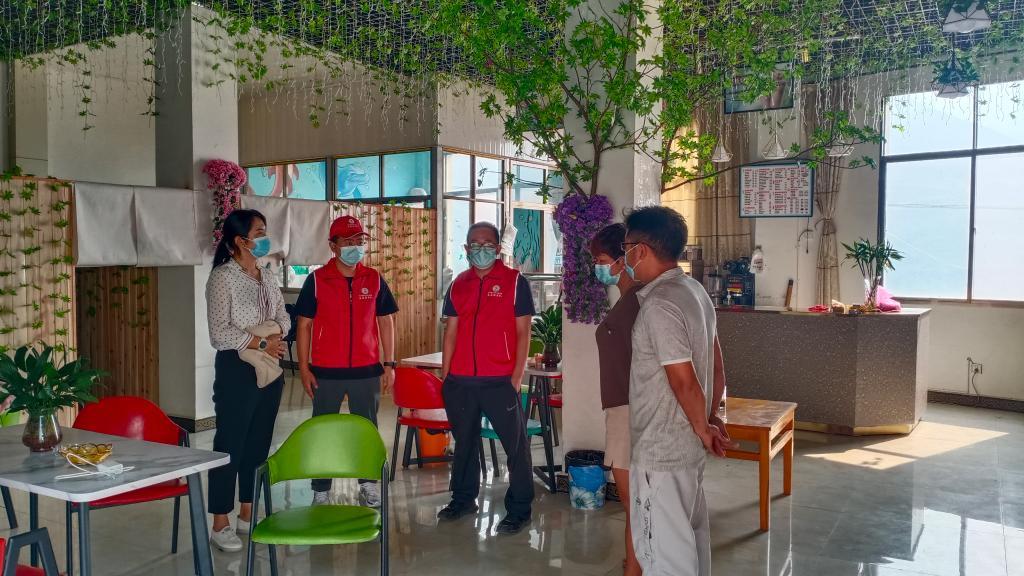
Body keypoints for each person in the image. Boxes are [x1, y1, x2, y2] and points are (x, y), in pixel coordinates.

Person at [622, 206, 731, 576]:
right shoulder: (694, 290)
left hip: (662, 453)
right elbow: (716, 365)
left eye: (626, 249)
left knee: (663, 557)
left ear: (640, 250)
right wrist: (709, 418)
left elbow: (683, 380)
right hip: (685, 449)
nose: (625, 259)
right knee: (689, 544)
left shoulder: (660, 304)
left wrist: (703, 426)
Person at [437, 222, 536, 535]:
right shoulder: (458, 284)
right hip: (461, 381)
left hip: (500, 380)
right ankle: (463, 499)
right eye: (475, 244)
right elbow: (451, 331)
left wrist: (515, 376)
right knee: (464, 444)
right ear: (466, 249)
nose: (482, 249)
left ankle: (519, 509)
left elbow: (524, 332)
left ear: (498, 248)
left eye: (488, 243)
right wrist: (447, 374)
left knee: (515, 448)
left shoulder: (515, 282)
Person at [295, 215, 399, 508]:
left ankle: (368, 483)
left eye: (360, 240)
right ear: (333, 245)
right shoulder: (317, 281)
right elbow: (304, 325)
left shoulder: (374, 278)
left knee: (366, 429)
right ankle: (321, 489)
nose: (356, 246)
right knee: (323, 430)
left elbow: (386, 321)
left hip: (366, 371)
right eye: (348, 241)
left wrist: (389, 364)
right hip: (326, 372)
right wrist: (303, 367)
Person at [205, 209, 290, 553]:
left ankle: (247, 512)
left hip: (270, 368)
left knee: (258, 443)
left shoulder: (267, 275)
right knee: (231, 444)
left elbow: (283, 315)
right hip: (236, 370)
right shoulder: (222, 278)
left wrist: (276, 334)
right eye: (259, 232)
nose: (265, 238)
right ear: (240, 241)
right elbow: (219, 333)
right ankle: (220, 521)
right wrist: (262, 342)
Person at [589, 223, 643, 576]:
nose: (597, 267)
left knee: (633, 501)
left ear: (623, 260)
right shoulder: (628, 299)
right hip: (621, 408)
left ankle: (635, 568)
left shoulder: (640, 301)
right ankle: (634, 563)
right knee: (634, 502)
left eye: (601, 260)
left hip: (630, 409)